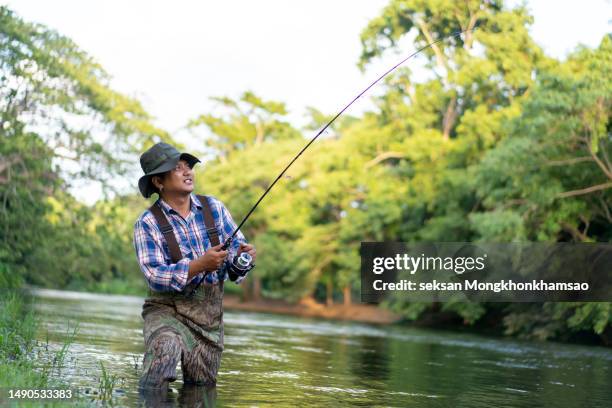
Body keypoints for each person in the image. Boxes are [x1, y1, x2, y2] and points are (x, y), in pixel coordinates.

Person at [133, 142, 256, 391]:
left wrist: (243, 260)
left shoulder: (215, 209)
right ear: (158, 182)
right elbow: (154, 275)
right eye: (178, 168)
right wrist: (198, 265)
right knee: (162, 361)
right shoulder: (147, 223)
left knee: (201, 390)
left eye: (189, 166)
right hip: (166, 312)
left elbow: (235, 258)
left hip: (209, 320)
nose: (188, 172)